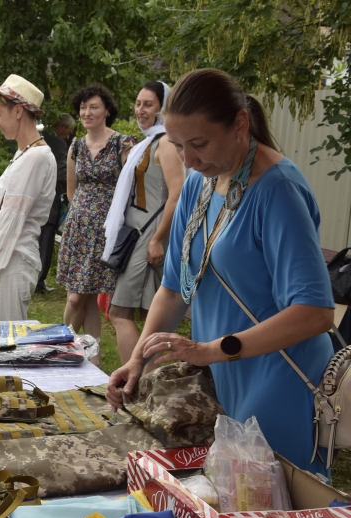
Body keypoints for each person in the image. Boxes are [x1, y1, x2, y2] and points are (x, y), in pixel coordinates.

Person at [106, 68, 335, 476]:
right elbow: (174, 289)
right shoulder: (199, 183)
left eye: (199, 144)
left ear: (240, 124)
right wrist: (138, 359)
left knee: (272, 504)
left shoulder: (278, 190)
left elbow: (315, 312)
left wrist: (211, 351)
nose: (189, 160)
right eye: (177, 146)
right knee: (230, 498)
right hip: (225, 376)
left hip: (280, 379)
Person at [103, 81, 185, 364]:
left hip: (148, 235)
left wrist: (157, 239)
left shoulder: (166, 143)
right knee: (150, 317)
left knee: (120, 312)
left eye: (148, 104)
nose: (140, 110)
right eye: (138, 104)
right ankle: (146, 382)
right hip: (138, 234)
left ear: (162, 108)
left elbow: (177, 195)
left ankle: (136, 380)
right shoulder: (149, 142)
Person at [0, 74, 56, 321]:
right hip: (4, 262)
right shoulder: (24, 154)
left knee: (6, 345)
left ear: (17, 111)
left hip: (12, 263)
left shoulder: (36, 157)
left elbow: (9, 220)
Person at [56, 84, 134, 345]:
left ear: (107, 110)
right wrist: (81, 217)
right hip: (78, 228)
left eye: (94, 107)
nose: (87, 112)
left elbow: (133, 190)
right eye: (83, 107)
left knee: (81, 296)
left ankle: (56, 344)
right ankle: (93, 357)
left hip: (107, 230)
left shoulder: (122, 144)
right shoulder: (76, 146)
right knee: (81, 296)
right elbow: (71, 191)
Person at [36, 124, 69, 294]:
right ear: (62, 127)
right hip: (50, 200)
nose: (69, 133)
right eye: (68, 129)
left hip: (34, 198)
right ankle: (38, 282)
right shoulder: (59, 144)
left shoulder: (37, 137)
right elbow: (62, 173)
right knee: (45, 242)